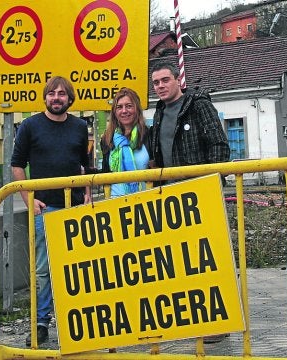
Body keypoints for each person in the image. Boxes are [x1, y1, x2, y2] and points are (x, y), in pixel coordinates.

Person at [150, 62, 231, 343]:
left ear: (177, 80)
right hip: (173, 199)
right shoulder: (159, 113)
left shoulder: (198, 105)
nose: (160, 86)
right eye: (156, 82)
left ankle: (220, 323)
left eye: (165, 80)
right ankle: (195, 320)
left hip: (201, 194)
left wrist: (209, 185)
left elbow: (220, 146)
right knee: (186, 262)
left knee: (211, 259)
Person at [10, 76, 93, 347]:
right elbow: (17, 165)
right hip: (44, 207)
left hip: (75, 207)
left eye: (62, 94)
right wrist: (28, 200)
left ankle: (77, 321)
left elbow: (85, 165)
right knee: (44, 270)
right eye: (52, 93)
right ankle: (41, 323)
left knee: (78, 267)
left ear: (70, 99)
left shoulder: (80, 127)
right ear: (45, 97)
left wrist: (88, 196)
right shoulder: (29, 126)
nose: (56, 98)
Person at [100, 87, 150, 197]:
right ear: (114, 112)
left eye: (129, 106)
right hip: (115, 202)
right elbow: (105, 173)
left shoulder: (149, 135)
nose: (124, 111)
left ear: (137, 109)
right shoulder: (107, 139)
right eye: (119, 107)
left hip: (145, 202)